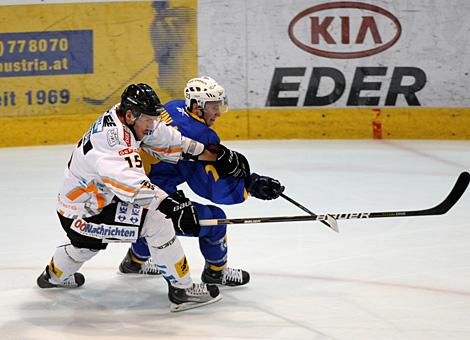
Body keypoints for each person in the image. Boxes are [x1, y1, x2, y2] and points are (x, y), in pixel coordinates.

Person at [36, 83, 250, 312]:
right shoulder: (113, 145)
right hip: (87, 214)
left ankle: (52, 277)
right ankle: (182, 290)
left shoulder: (127, 116)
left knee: (84, 247)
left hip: (83, 205)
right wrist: (172, 205)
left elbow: (165, 137)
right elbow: (136, 187)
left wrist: (211, 154)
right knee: (157, 222)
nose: (151, 125)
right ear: (131, 115)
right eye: (148, 120)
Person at [118, 76, 284, 286]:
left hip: (130, 185)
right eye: (213, 107)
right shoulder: (201, 135)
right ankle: (216, 272)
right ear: (197, 107)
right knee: (214, 220)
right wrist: (248, 186)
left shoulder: (174, 106)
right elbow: (207, 187)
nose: (217, 112)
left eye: (219, 106)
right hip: (147, 192)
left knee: (157, 218)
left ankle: (134, 261)